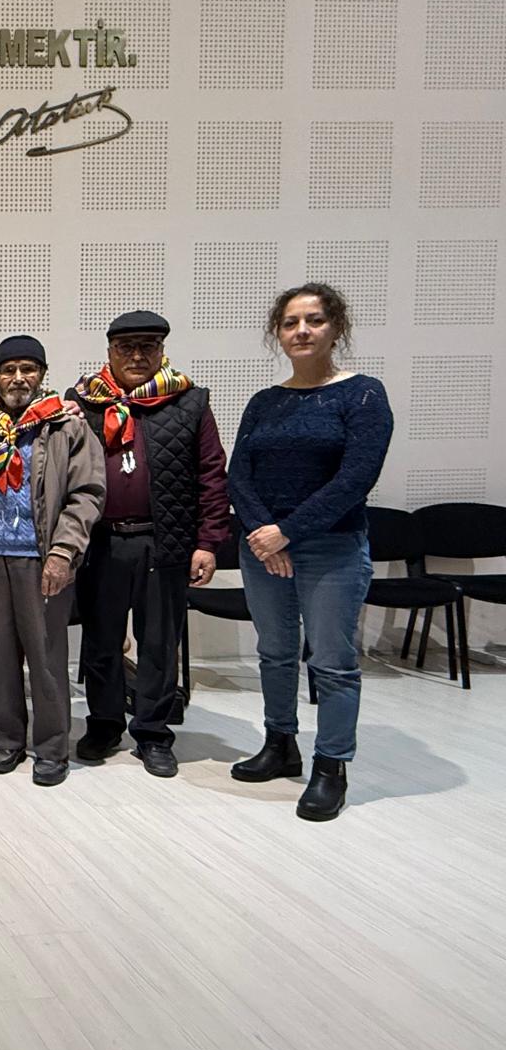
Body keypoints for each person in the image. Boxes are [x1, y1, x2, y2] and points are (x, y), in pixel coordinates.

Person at [228, 282, 392, 821]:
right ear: (278, 333)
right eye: (290, 322)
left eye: (314, 320)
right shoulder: (265, 402)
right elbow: (238, 475)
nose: (301, 330)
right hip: (263, 547)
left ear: (335, 328)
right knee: (275, 653)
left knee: (332, 663)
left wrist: (287, 533)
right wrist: (263, 533)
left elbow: (355, 479)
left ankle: (330, 766)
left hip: (332, 548)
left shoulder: (362, 395)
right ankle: (280, 744)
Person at [68, 311, 229, 778]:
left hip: (165, 542)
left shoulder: (190, 402)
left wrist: (208, 542)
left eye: (148, 347)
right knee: (101, 641)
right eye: (126, 348)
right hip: (102, 542)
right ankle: (104, 724)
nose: (137, 356)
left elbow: (212, 475)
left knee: (159, 642)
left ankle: (153, 732)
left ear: (162, 351)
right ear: (110, 352)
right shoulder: (83, 403)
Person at [0, 335, 104, 786]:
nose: (18, 378)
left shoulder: (67, 426)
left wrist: (63, 552)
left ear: (41, 374)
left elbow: (87, 494)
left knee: (46, 658)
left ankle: (52, 748)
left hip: (41, 559)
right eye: (8, 370)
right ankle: (6, 739)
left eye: (28, 369)